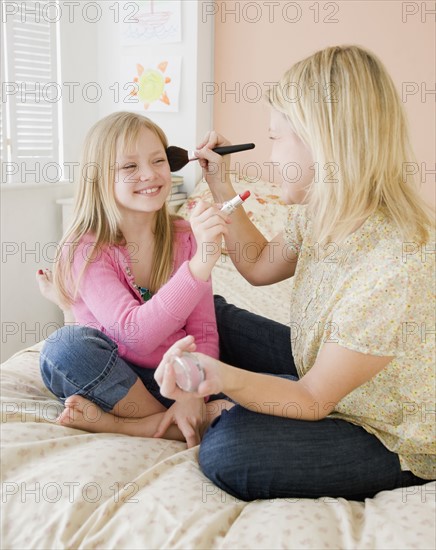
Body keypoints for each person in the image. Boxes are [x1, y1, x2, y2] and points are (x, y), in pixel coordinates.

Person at [154, 45, 435, 501]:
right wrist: (221, 183)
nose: (269, 152)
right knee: (210, 312)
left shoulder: (396, 264)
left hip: (383, 428)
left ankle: (224, 404)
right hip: (322, 371)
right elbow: (259, 267)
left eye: (274, 137)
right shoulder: (321, 212)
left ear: (322, 140)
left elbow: (313, 398)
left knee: (229, 453)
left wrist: (224, 379)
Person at [38, 111, 233, 448]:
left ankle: (154, 422)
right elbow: (135, 336)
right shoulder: (86, 248)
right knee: (64, 348)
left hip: (177, 377)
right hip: (118, 379)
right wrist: (201, 264)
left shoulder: (185, 236)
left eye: (158, 160)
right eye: (130, 167)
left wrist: (190, 393)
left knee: (274, 390)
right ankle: (159, 425)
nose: (150, 174)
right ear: (99, 179)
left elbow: (202, 329)